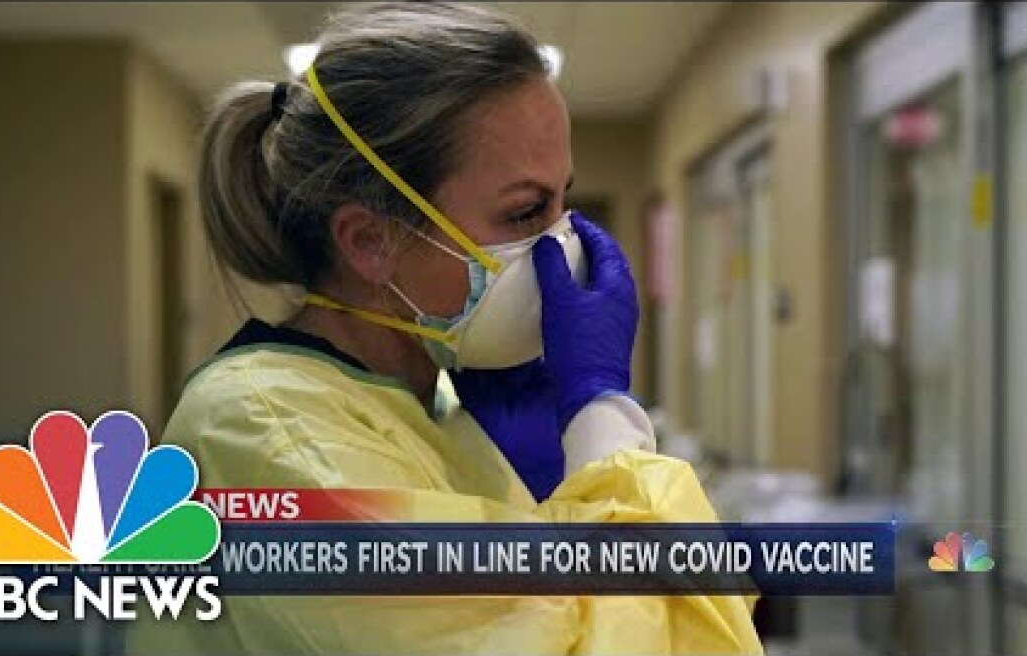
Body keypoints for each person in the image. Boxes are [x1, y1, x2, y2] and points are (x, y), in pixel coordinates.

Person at [129, 2, 762, 654]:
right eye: (525, 212)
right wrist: (604, 426)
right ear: (370, 241)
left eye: (561, 200)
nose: (563, 244)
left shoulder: (434, 408)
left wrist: (560, 492)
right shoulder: (264, 430)